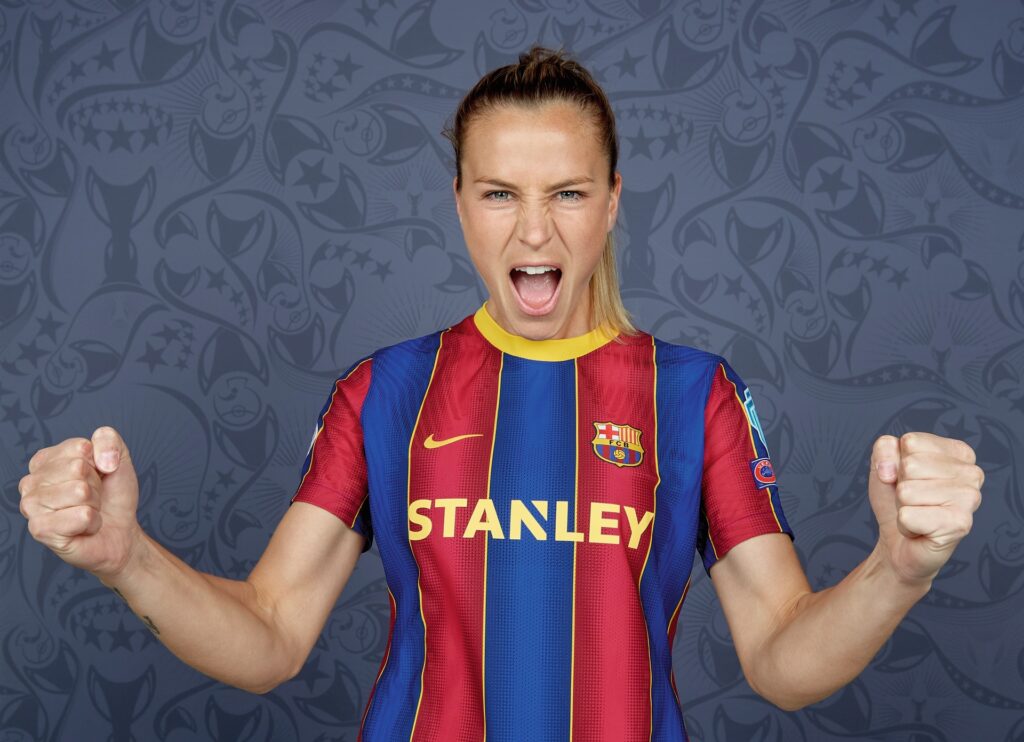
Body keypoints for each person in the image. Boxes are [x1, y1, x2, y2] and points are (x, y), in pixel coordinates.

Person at [18, 45, 984, 741]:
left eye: (567, 193)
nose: (533, 233)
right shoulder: (387, 391)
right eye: (499, 194)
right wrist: (128, 558)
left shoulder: (694, 395)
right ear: (458, 204)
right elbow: (270, 637)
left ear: (612, 202)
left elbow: (781, 661)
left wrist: (901, 567)